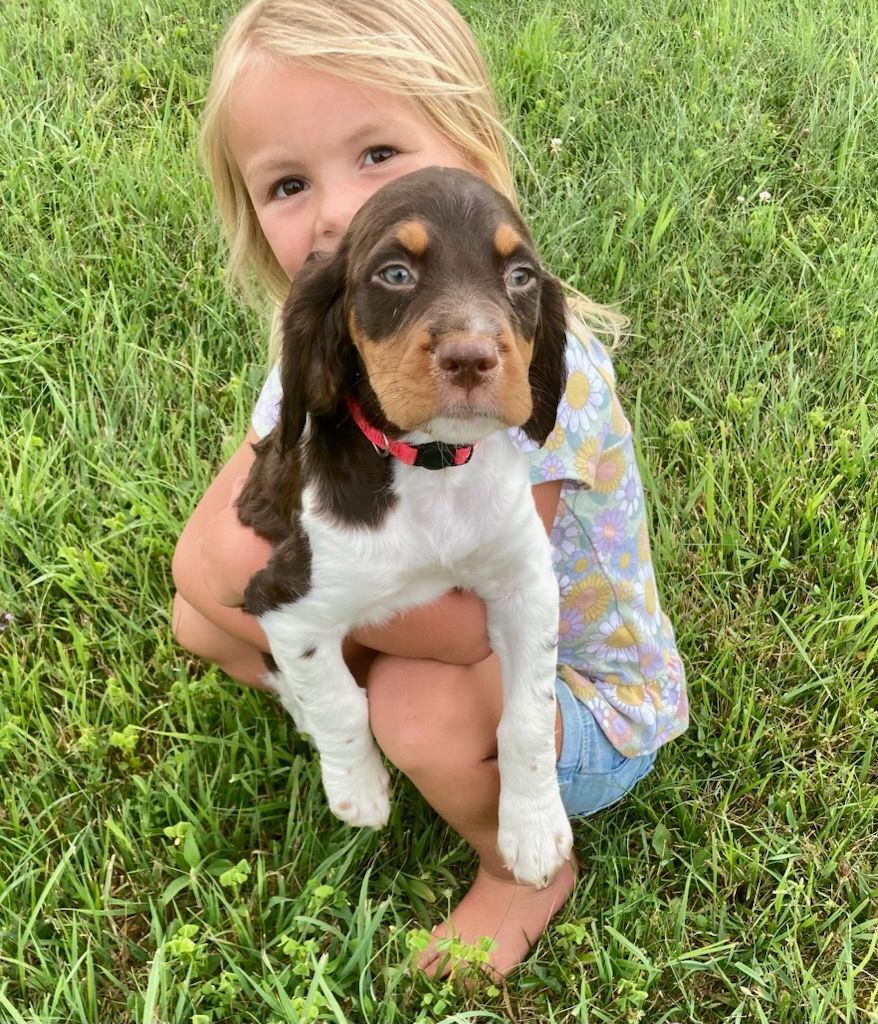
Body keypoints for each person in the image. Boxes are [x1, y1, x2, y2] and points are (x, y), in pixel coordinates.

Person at [171, 0, 688, 979]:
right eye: (287, 183)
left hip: (575, 692)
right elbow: (215, 546)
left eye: (375, 155)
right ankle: (408, 743)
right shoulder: (334, 327)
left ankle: (522, 869)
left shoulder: (519, 365)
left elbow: (466, 627)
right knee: (203, 624)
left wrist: (260, 579)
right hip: (420, 605)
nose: (332, 211)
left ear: (473, 156)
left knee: (411, 700)